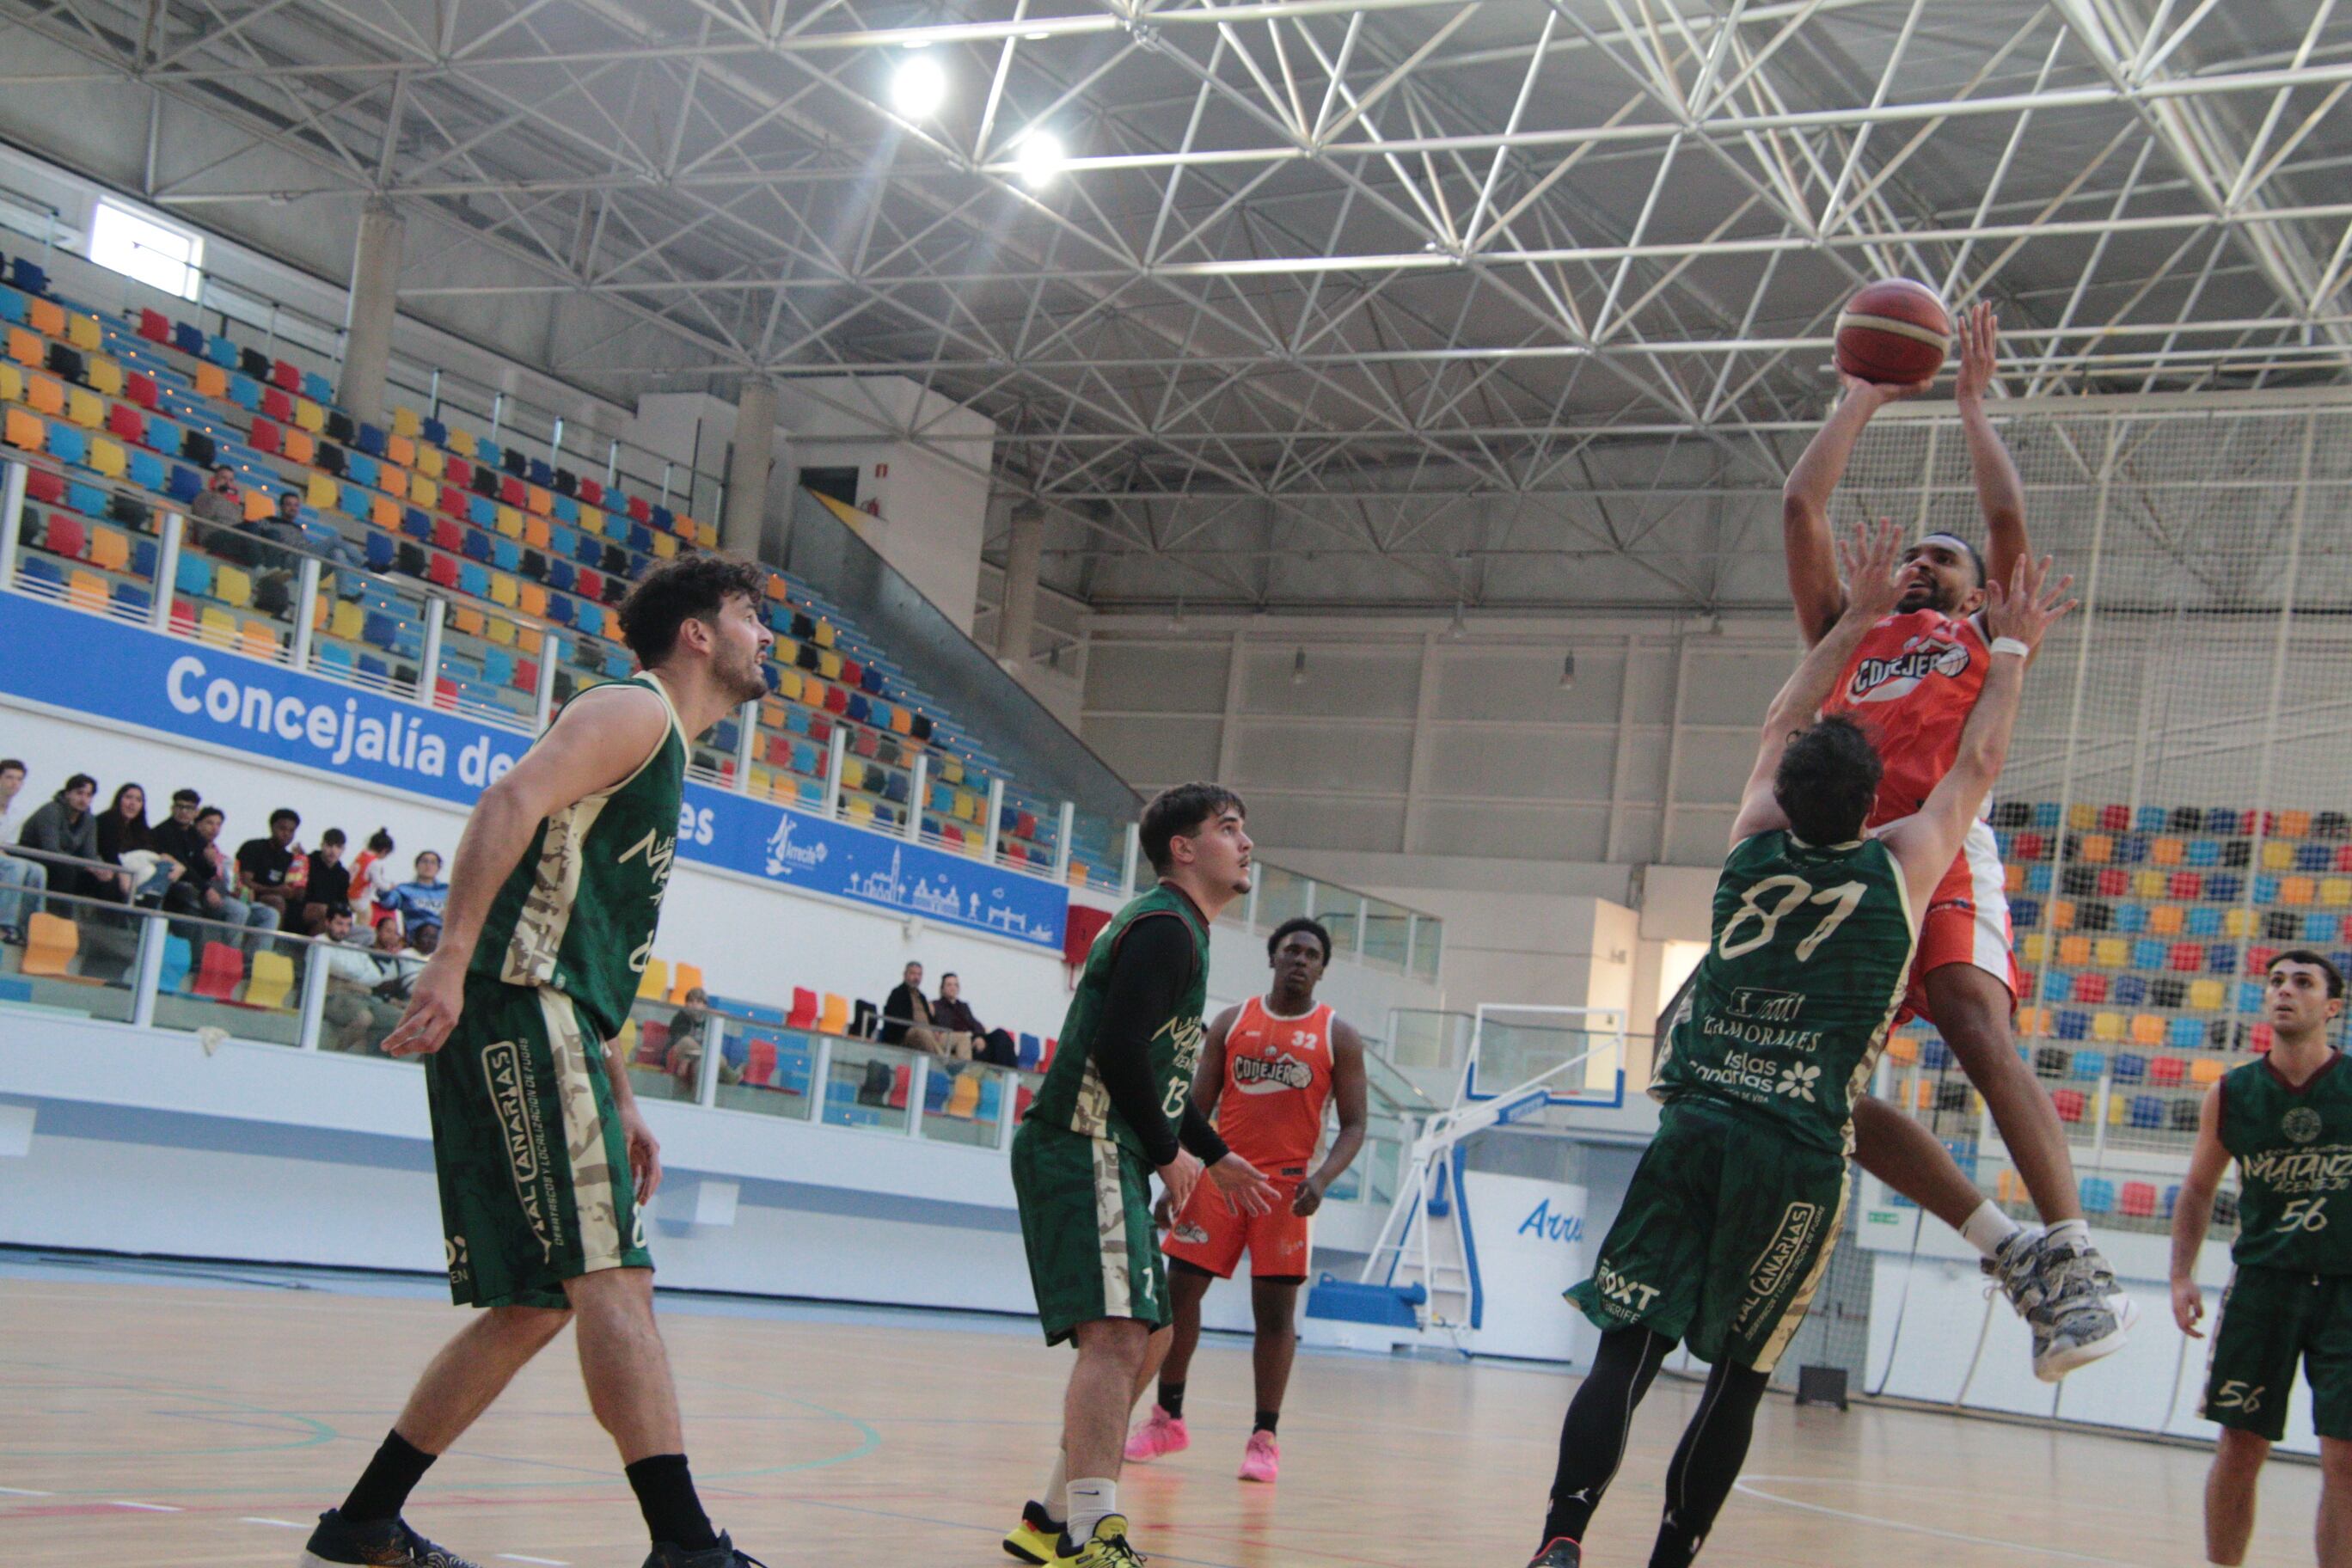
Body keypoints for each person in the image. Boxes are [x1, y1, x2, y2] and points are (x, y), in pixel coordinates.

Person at [1527, 524, 2072, 1568]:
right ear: (1873, 802)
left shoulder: (1746, 849)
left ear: (1783, 790)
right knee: (1736, 1380)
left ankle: (1562, 1538)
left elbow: (1783, 715)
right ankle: (1670, 1560)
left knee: (1624, 1353)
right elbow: (1978, 762)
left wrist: (1853, 620)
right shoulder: (1902, 870)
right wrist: (2010, 650)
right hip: (1798, 1154)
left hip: (1696, 1128)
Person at [297, 553, 775, 1568]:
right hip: (516, 1004)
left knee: (534, 1301)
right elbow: (506, 801)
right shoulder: (634, 712)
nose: (765, 635)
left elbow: (585, 947)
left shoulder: (666, 753)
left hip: (550, 1014)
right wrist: (449, 957)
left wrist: (622, 1096)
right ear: (698, 634)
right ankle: (687, 1546)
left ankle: (363, 1522)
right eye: (748, 616)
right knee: (615, 1279)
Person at [1780, 303, 2127, 1378]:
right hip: (1850, 863)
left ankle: (2075, 1258)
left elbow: (2008, 519)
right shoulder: (1850, 630)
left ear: (1981, 592)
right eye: (1915, 554)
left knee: (1977, 1022)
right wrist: (1861, 396)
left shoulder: (1983, 634)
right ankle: (2008, 1247)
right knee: (1818, 1084)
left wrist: (1973, 405)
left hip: (1942, 846)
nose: (1924, 563)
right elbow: (1801, 505)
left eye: (1945, 557)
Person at [1001, 781, 1282, 1568]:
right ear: (1184, 850)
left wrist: (1213, 1155)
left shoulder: (1178, 929)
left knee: (1151, 1336)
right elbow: (1119, 1050)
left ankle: (1051, 1519)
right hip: (1081, 1139)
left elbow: (1155, 1073)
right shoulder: (1165, 929)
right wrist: (1168, 1153)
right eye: (1230, 828)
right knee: (1119, 1337)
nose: (1247, 843)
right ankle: (1094, 1533)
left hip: (1106, 1144)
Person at [1125, 915, 1369, 1485]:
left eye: (1311, 954)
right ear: (1273, 957)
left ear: (1322, 969)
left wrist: (1322, 1179)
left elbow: (1356, 1125)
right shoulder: (1232, 1021)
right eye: (1292, 950)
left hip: (1287, 1188)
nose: (1300, 960)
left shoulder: (1338, 1035)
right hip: (1219, 1176)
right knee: (1177, 1297)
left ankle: (1265, 1437)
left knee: (1275, 1315)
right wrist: (1174, 1176)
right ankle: (1168, 1419)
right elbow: (1195, 1108)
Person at [2171, 950, 2351, 1568]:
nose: (2285, 991)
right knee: (2241, 1445)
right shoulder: (2232, 1092)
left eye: (2302, 982)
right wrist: (2180, 1275)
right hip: (2264, 1287)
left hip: (2346, 1291)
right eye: (2276, 981)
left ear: (2332, 1006)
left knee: (2344, 1456)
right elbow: (2198, 1189)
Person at [165, 805, 279, 950]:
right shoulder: (192, 848)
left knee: (269, 914)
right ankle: (228, 958)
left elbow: (232, 882)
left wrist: (243, 890)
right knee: (239, 910)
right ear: (197, 824)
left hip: (228, 896)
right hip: (203, 895)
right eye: (209, 823)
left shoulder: (221, 856)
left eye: (218, 824)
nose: (214, 828)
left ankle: (253, 960)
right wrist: (208, 865)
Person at [318, 906, 407, 1054]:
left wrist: (351, 979)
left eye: (347, 925)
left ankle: (378, 1059)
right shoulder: (319, 942)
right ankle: (334, 1054)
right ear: (328, 922)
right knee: (364, 1018)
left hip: (364, 997)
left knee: (401, 1020)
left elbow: (374, 976)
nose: (343, 929)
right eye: (339, 924)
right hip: (333, 996)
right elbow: (343, 969)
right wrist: (357, 975)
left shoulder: (352, 947)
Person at [15, 772, 109, 904]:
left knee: (104, 878)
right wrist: (82, 865)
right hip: (33, 854)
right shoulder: (51, 810)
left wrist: (100, 868)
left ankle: (97, 917)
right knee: (65, 871)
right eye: (79, 793)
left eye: (89, 795)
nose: (84, 799)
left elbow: (90, 853)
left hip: (65, 861)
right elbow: (51, 849)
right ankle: (56, 914)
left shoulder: (89, 820)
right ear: (67, 793)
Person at [95, 782, 180, 904]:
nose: (133, 804)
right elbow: (108, 852)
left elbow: (157, 852)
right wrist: (122, 873)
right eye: (128, 797)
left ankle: (147, 902)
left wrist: (177, 865)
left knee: (166, 868)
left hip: (137, 873)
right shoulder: (107, 819)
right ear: (119, 799)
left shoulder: (141, 829)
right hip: (114, 870)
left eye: (138, 800)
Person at [235, 806, 305, 926]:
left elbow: (297, 894)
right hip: (249, 897)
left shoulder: (290, 859)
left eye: (291, 831)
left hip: (277, 901)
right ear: (272, 827)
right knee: (277, 900)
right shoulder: (253, 847)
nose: (286, 834)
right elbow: (245, 881)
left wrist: (301, 864)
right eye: (282, 829)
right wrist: (275, 890)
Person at [0, 758, 44, 942]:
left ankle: (30, 928)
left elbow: (8, 845)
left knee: (37, 870)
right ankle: (4, 925)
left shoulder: (18, 813)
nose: (14, 783)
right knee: (17, 867)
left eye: (19, 779)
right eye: (10, 777)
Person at [933, 972, 1017, 1066]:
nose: (953, 988)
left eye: (956, 985)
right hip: (961, 1041)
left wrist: (979, 1037)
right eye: (949, 985)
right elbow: (943, 1027)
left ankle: (1012, 1073)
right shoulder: (937, 1006)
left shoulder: (963, 1006)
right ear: (942, 988)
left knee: (1000, 1034)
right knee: (993, 1050)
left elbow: (975, 1024)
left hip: (975, 1038)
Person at [302, 827, 354, 935]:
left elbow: (343, 902)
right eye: (329, 845)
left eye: (338, 847)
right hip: (303, 909)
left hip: (331, 915)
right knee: (325, 912)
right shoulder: (307, 862)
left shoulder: (343, 874)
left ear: (343, 850)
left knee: (366, 932)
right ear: (322, 845)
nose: (333, 851)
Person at [384, 850, 448, 940]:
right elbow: (389, 903)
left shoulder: (447, 890)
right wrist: (384, 891)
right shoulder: (404, 889)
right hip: (415, 937)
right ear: (417, 865)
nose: (428, 865)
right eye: (424, 861)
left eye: (433, 862)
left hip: (442, 938)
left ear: (438, 868)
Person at [352, 827, 400, 928]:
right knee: (366, 917)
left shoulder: (361, 856)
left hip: (351, 891)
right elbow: (378, 882)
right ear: (384, 851)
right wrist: (389, 886)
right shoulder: (374, 863)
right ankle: (359, 935)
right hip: (359, 896)